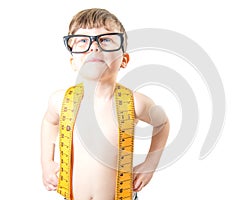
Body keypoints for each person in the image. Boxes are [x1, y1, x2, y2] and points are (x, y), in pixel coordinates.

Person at [40, 8, 170, 200]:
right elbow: (50, 122)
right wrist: (47, 162)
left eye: (106, 40)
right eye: (83, 41)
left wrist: (149, 165)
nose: (94, 47)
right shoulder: (60, 100)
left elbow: (162, 124)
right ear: (73, 61)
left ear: (124, 60)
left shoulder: (135, 103)